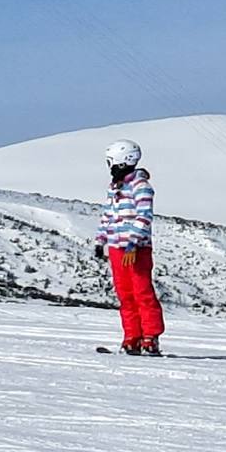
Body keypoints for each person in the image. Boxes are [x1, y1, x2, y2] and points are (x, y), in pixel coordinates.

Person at [94, 139, 165, 356]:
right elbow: (108, 216)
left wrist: (133, 242)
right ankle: (131, 338)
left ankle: (150, 337)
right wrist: (100, 240)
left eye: (111, 163)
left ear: (122, 161)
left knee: (142, 292)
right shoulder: (115, 187)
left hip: (135, 249)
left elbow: (144, 216)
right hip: (116, 248)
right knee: (125, 295)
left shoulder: (140, 186)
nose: (110, 168)